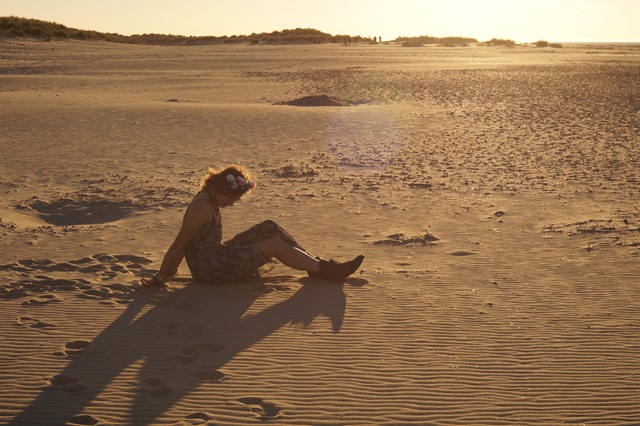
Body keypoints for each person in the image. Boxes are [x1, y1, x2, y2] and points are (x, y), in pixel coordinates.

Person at [141, 165, 364, 287]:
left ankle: (316, 267)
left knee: (269, 227)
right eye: (233, 199)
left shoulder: (210, 199)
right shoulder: (202, 208)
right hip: (210, 270)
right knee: (274, 244)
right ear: (223, 190)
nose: (232, 204)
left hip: (219, 255)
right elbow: (180, 244)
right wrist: (161, 277)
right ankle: (327, 271)